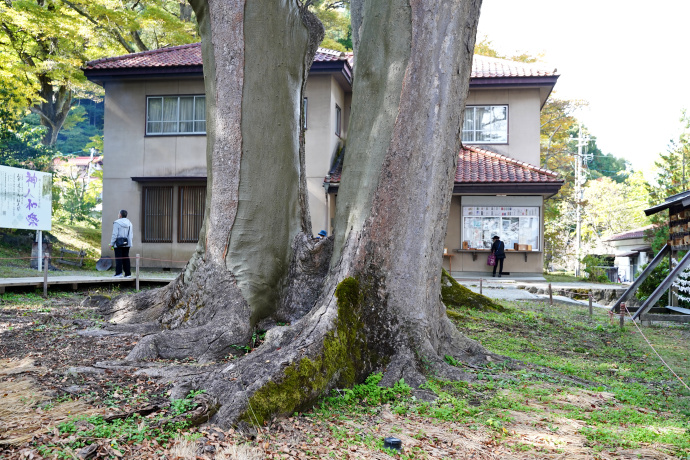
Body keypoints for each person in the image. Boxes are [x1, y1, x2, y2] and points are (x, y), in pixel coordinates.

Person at [110, 210, 133, 278]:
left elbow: (115, 234)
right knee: (126, 258)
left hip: (118, 243)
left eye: (118, 213)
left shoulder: (117, 222)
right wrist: (129, 242)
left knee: (118, 258)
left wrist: (111, 243)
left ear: (120, 215)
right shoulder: (130, 223)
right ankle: (128, 274)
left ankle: (118, 273)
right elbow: (131, 234)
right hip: (127, 243)